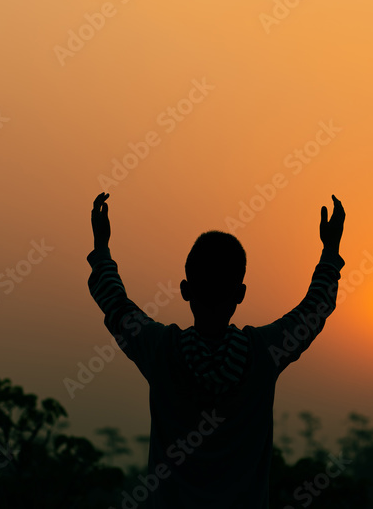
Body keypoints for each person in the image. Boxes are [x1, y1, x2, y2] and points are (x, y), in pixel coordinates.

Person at [87, 191, 346, 507]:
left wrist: (102, 248)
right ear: (240, 293)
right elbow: (315, 308)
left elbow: (115, 303)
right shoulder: (265, 353)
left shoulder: (161, 351)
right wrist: (330, 250)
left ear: (185, 290)